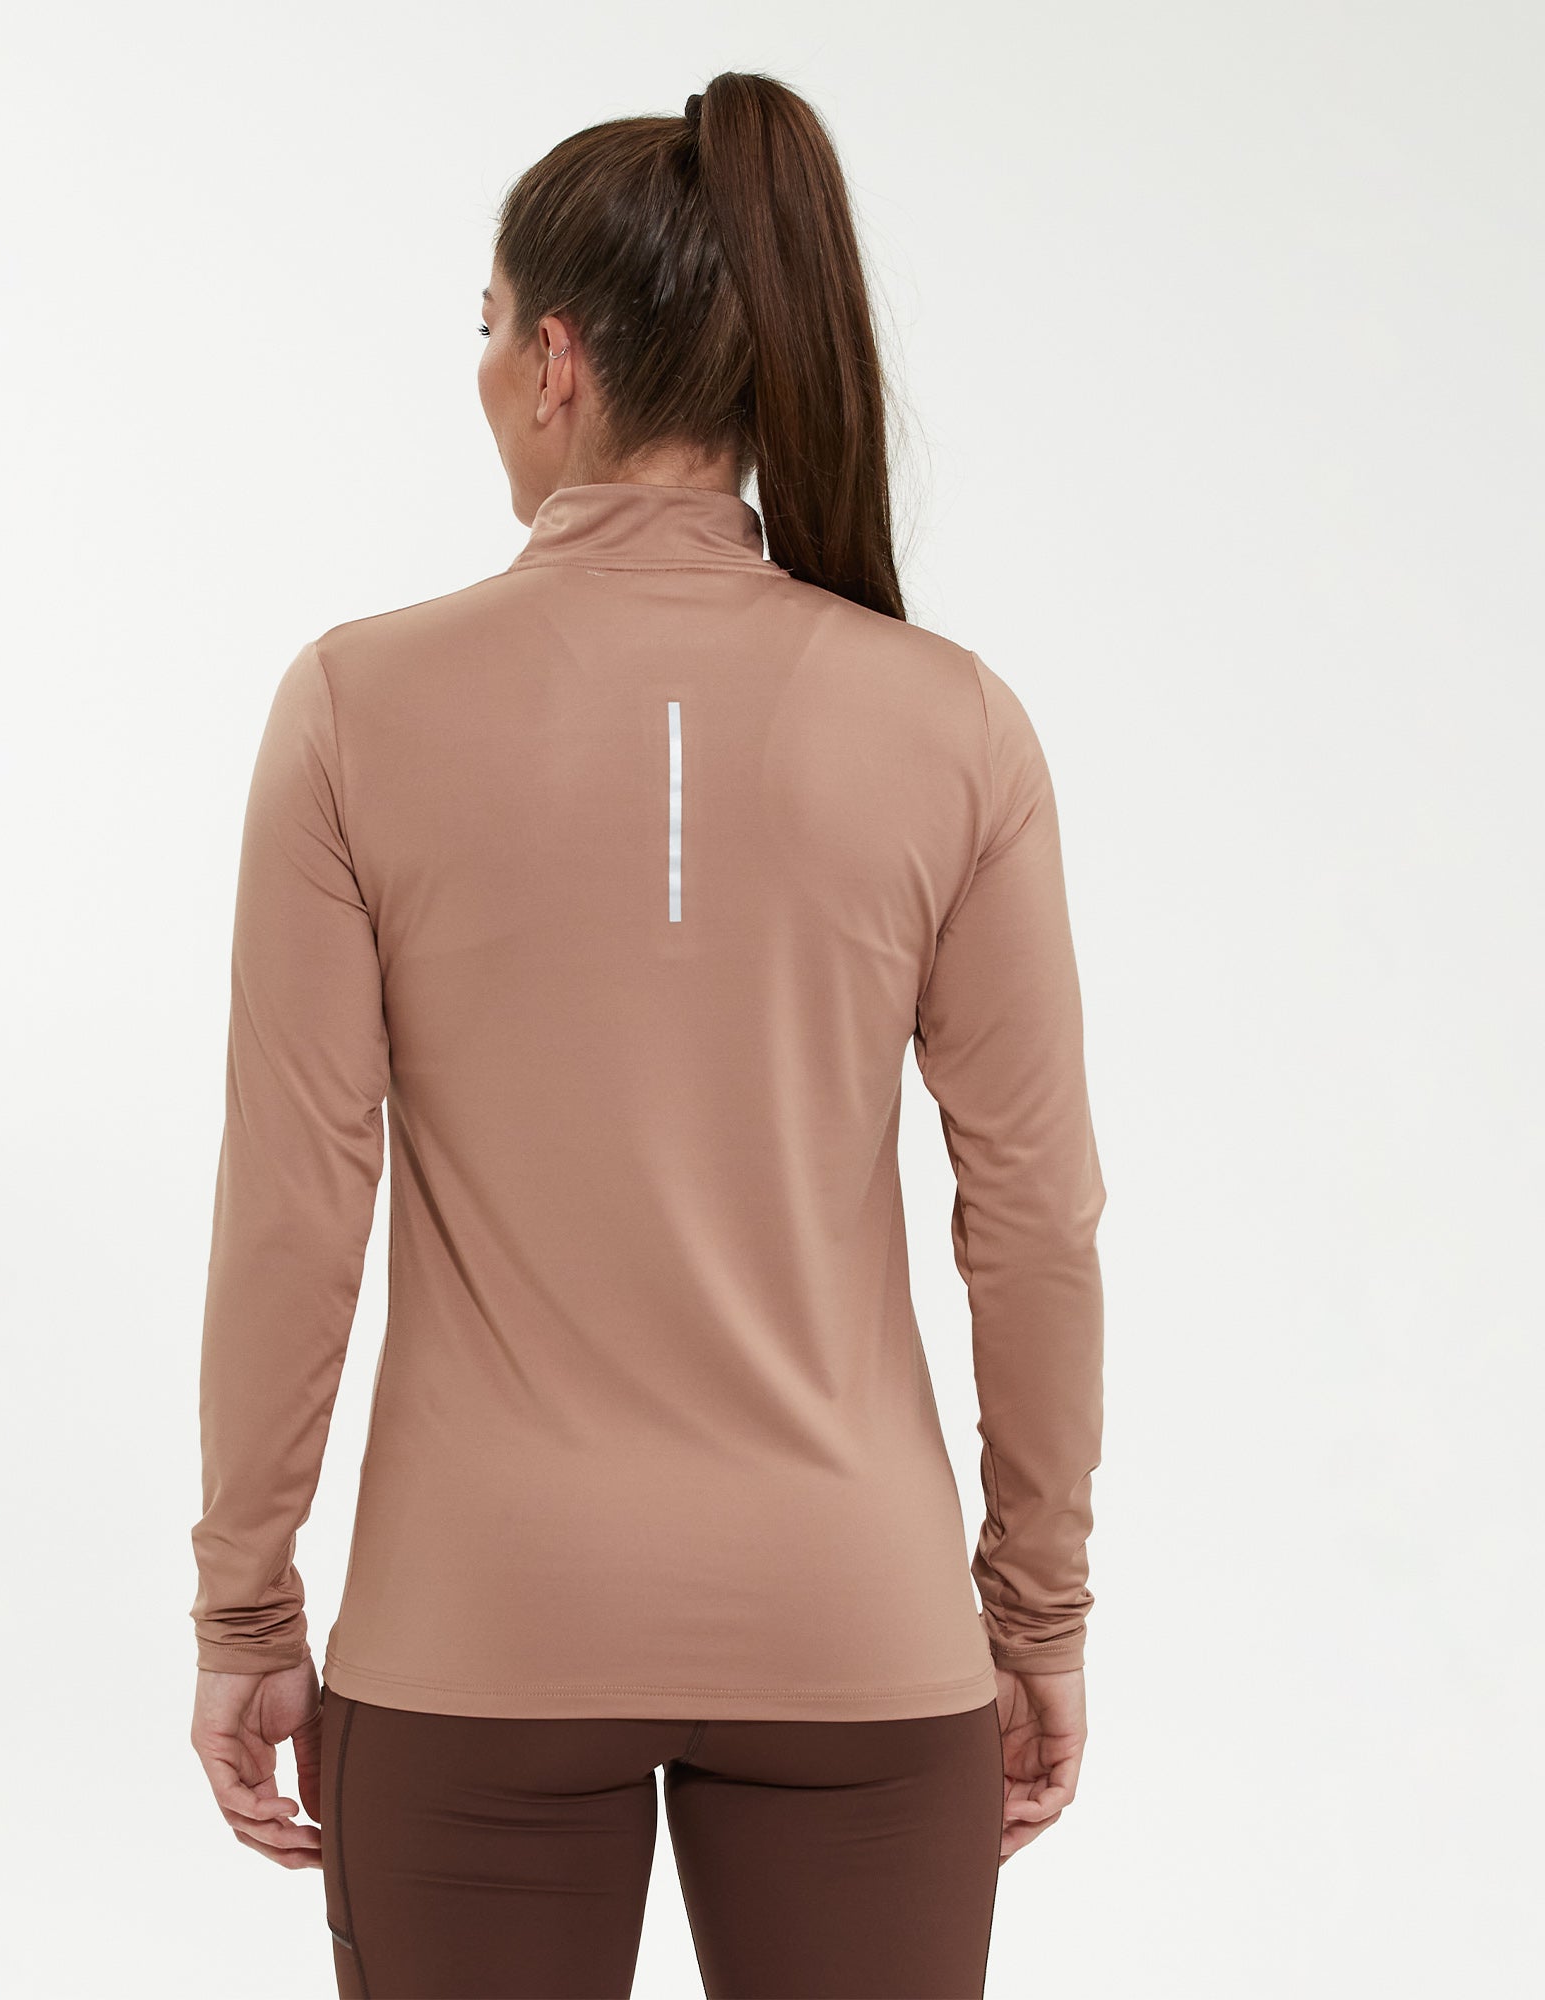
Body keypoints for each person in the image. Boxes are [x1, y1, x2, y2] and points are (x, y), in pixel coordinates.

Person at [187, 69, 1107, 2000]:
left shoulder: (357, 709)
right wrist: (1037, 1612)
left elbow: (295, 1206)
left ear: (556, 361)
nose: (482, 376)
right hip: (857, 1626)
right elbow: (1033, 1217)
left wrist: (245, 1607)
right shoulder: (953, 726)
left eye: (485, 331)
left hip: (477, 1628)